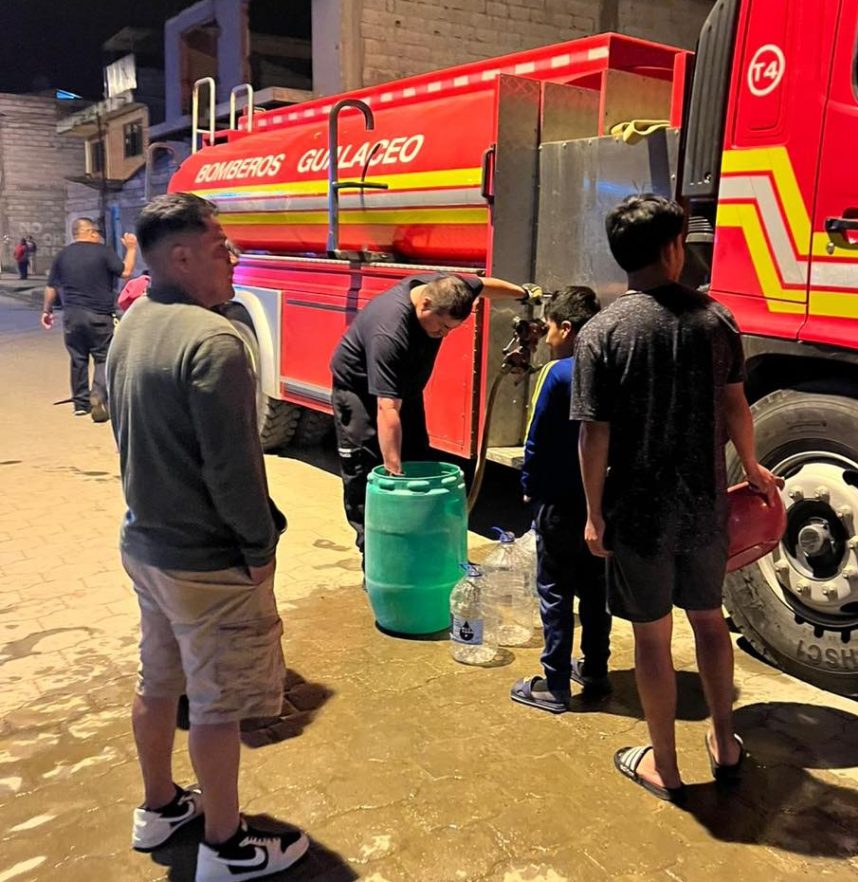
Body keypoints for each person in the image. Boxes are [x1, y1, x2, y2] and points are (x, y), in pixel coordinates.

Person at [107, 193, 308, 881]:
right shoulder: (214, 343)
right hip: (207, 561)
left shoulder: (133, 322)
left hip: (147, 546)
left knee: (159, 680)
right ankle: (226, 847)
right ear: (181, 256)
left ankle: (159, 805)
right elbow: (234, 470)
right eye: (222, 246)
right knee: (219, 704)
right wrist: (259, 550)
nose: (234, 257)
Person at [572, 194, 781, 803]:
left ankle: (664, 766)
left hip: (638, 514)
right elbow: (736, 405)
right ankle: (725, 744)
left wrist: (593, 513)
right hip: (704, 506)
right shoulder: (716, 320)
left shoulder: (601, 332)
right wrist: (752, 465)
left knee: (652, 639)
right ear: (672, 249)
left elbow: (594, 435)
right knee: (710, 623)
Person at [330, 272, 535, 558]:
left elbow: (483, 285)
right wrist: (395, 478)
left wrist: (524, 293)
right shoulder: (390, 332)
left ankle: (415, 542)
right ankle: (378, 557)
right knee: (370, 473)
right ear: (425, 304)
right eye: (442, 327)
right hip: (361, 394)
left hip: (404, 389)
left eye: (452, 329)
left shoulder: (448, 291)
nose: (444, 334)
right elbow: (387, 409)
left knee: (417, 456)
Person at [510, 286, 612, 714]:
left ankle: (554, 685)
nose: (546, 335)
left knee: (554, 590)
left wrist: (528, 484)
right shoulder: (610, 367)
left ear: (566, 329)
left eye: (549, 327)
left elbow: (535, 439)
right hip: (598, 503)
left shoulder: (557, 374)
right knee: (595, 590)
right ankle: (596, 671)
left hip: (556, 501)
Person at [41, 218, 137, 421]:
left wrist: (46, 311)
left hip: (72, 316)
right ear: (92, 232)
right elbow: (126, 271)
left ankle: (80, 404)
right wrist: (131, 248)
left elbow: (51, 286)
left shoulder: (62, 255)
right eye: (97, 233)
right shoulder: (103, 252)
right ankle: (98, 395)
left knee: (78, 358)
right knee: (103, 357)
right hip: (99, 314)